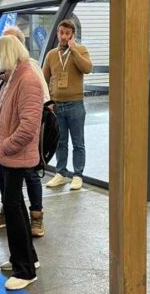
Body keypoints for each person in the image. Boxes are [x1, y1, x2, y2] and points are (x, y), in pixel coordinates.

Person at [0, 26, 50, 237]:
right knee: (9, 192)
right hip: (3, 141)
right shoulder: (1, 72)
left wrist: (6, 144)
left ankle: (36, 217)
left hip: (18, 146)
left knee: (30, 178)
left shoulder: (29, 73)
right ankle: (8, 213)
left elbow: (38, 110)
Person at [0, 35, 42, 291]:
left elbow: (28, 128)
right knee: (15, 206)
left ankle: (25, 269)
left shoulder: (28, 78)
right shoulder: (13, 77)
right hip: (7, 156)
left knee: (13, 208)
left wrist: (2, 146)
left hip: (14, 156)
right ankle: (26, 258)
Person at [43, 19, 92, 190]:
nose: (63, 36)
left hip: (75, 105)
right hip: (57, 105)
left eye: (67, 33)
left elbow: (87, 68)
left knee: (78, 142)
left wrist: (74, 50)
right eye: (61, 33)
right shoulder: (51, 55)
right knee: (60, 142)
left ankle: (78, 175)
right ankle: (61, 173)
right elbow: (44, 79)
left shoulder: (80, 50)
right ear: (57, 34)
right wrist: (48, 101)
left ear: (72, 35)